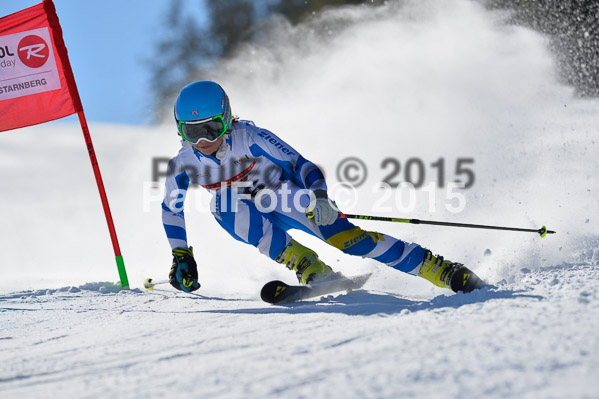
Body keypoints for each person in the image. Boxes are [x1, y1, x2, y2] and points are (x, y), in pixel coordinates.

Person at [162, 81, 485, 294]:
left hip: (286, 197)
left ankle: (438, 268)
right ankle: (309, 267)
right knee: (222, 205)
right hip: (247, 213)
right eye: (192, 133)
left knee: (347, 239)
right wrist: (181, 254)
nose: (204, 140)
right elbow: (170, 208)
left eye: (211, 128)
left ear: (227, 118)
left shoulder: (252, 138)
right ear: (180, 131)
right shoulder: (183, 164)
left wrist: (319, 197)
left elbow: (303, 165)